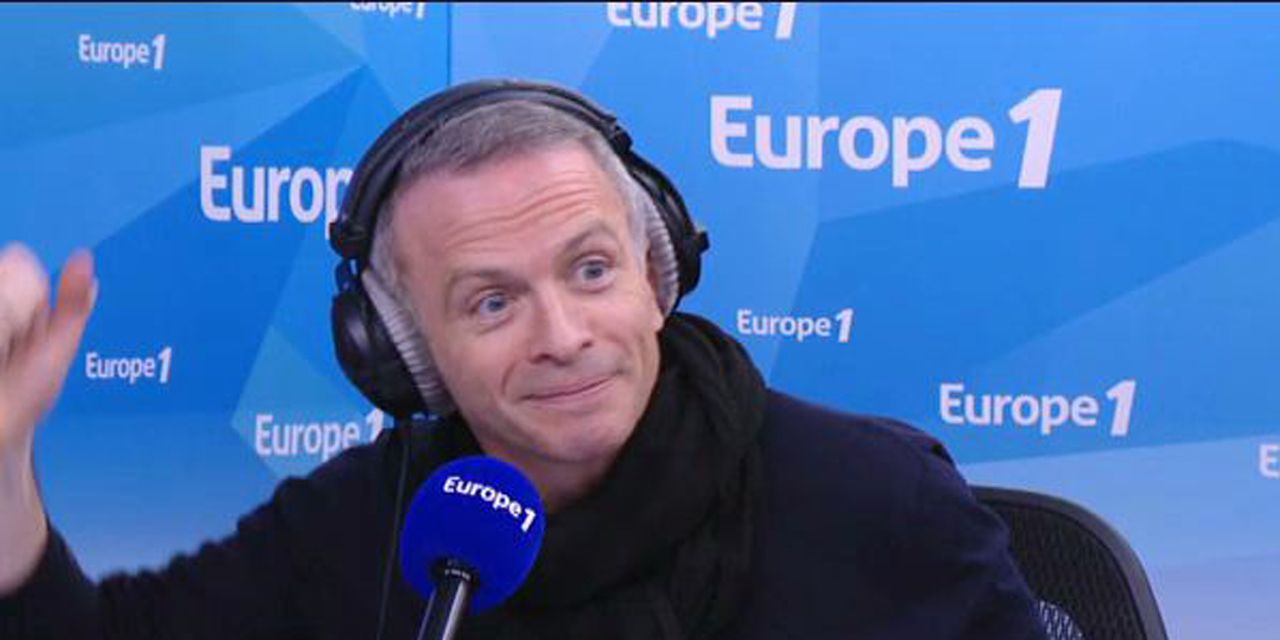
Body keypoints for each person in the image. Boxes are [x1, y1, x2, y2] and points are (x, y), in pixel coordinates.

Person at [0, 80, 1048, 639]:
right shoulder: (371, 524)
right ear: (405, 351)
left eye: (590, 269)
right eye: (492, 300)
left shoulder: (875, 502)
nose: (562, 333)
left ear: (656, 273)